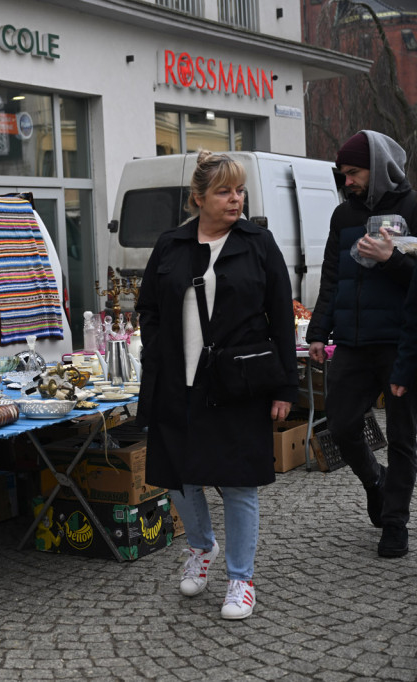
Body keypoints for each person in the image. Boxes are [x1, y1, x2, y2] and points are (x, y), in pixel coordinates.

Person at [137, 151, 297, 620]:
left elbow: (282, 318)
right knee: (180, 477)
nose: (236, 199)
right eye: (225, 191)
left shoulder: (258, 242)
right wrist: (156, 352)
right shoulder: (170, 244)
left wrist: (286, 387)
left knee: (239, 483)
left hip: (238, 384)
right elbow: (148, 307)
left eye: (240, 190)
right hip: (176, 384)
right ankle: (201, 549)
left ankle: (240, 580)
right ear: (199, 198)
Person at [306, 130, 417, 558]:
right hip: (352, 342)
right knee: (342, 424)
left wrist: (392, 260)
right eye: (343, 173)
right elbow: (331, 276)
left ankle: (395, 522)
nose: (347, 180)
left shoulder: (411, 208)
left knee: (404, 436)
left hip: (399, 342)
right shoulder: (342, 216)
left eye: (353, 172)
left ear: (378, 167)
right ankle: (377, 482)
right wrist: (318, 331)